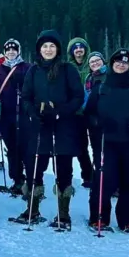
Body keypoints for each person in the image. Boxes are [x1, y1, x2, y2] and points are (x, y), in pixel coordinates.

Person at [15, 30, 85, 228]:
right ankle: (32, 209)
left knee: (63, 169)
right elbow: (26, 96)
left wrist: (61, 112)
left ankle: (63, 214)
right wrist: (33, 113)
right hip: (39, 126)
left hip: (62, 125)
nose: (48, 49)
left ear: (58, 49)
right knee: (34, 168)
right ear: (39, 49)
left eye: (52, 46)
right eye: (44, 46)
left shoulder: (68, 70)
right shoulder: (33, 71)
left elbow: (78, 97)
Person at [85, 49, 129, 233]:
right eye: (118, 61)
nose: (121, 64)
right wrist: (99, 122)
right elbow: (89, 113)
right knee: (104, 180)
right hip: (107, 141)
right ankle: (99, 219)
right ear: (112, 63)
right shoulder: (100, 88)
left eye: (125, 62)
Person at [0, 39, 28, 195]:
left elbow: (33, 89)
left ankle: (31, 181)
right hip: (5, 115)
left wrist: (23, 83)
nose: (11, 52)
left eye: (14, 49)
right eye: (8, 49)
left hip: (23, 114)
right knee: (11, 148)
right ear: (4, 52)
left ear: (18, 51)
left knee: (24, 148)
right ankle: (17, 179)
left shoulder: (27, 68)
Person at [67, 38, 97, 187]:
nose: (78, 50)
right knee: (81, 145)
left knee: (97, 145)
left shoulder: (92, 65)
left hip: (92, 112)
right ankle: (87, 175)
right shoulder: (68, 67)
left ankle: (101, 175)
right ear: (71, 51)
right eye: (75, 48)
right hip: (76, 113)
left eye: (81, 47)